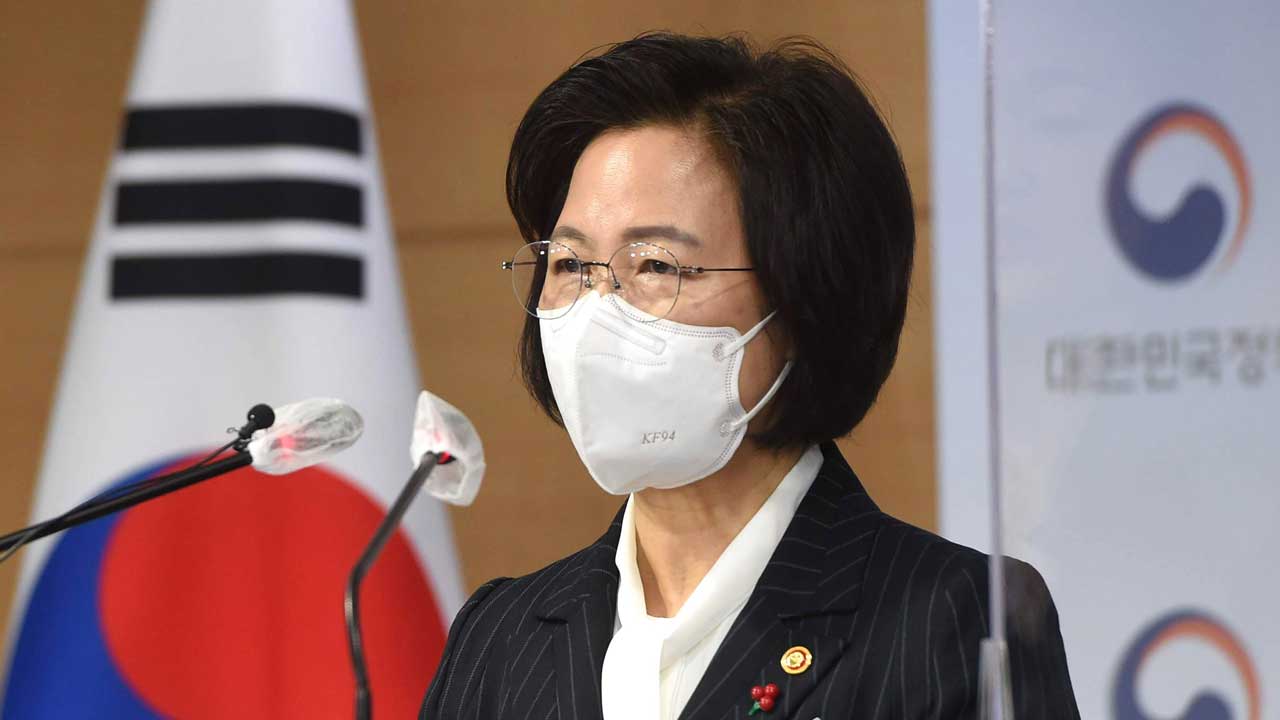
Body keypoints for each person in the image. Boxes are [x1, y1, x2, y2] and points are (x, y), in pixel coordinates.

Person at [421, 32, 1078, 719]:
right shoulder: (498, 639)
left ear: (804, 294)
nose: (596, 310)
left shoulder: (955, 618)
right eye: (568, 265)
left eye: (654, 265)